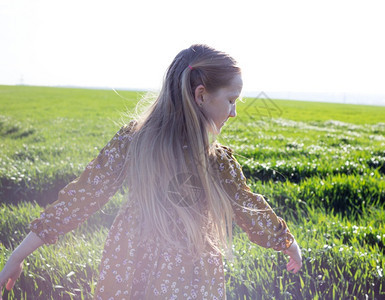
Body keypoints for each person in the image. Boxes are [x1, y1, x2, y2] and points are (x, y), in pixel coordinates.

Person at [0, 44, 302, 299]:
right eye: (232, 100)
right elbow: (250, 208)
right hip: (186, 276)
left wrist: (17, 256)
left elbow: (82, 197)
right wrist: (288, 243)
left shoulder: (138, 142)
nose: (234, 112)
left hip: (128, 268)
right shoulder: (209, 159)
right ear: (200, 95)